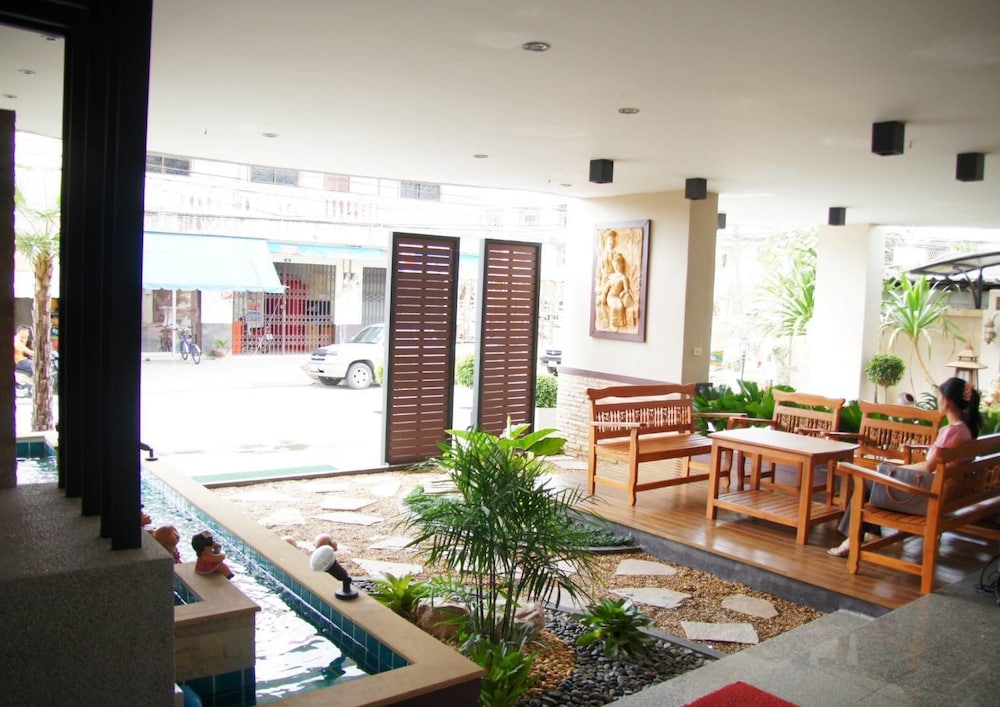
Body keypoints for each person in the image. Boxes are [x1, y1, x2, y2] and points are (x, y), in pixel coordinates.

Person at [828, 377, 981, 557]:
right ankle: (868, 534)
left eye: (939, 396)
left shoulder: (952, 432)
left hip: (927, 496)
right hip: (941, 491)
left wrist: (899, 470)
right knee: (874, 477)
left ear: (946, 401)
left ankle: (852, 539)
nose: (938, 400)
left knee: (866, 480)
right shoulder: (966, 430)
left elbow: (928, 467)